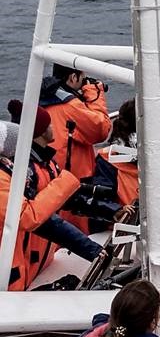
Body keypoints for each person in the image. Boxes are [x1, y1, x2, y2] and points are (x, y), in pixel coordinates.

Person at [7, 101, 104, 270]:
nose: (53, 127)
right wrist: (92, 251)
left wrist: (112, 211)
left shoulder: (45, 162)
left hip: (42, 261)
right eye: (49, 124)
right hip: (26, 264)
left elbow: (70, 199)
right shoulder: (26, 171)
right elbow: (43, 221)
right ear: (41, 132)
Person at [0, 120, 85, 290]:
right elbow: (26, 216)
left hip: (26, 265)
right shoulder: (4, 177)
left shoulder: (11, 172)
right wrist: (65, 182)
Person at [39, 63, 112, 232]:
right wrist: (94, 94)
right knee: (73, 232)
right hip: (73, 180)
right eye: (82, 78)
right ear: (73, 77)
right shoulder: (70, 105)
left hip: (47, 175)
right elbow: (101, 130)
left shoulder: (42, 96)